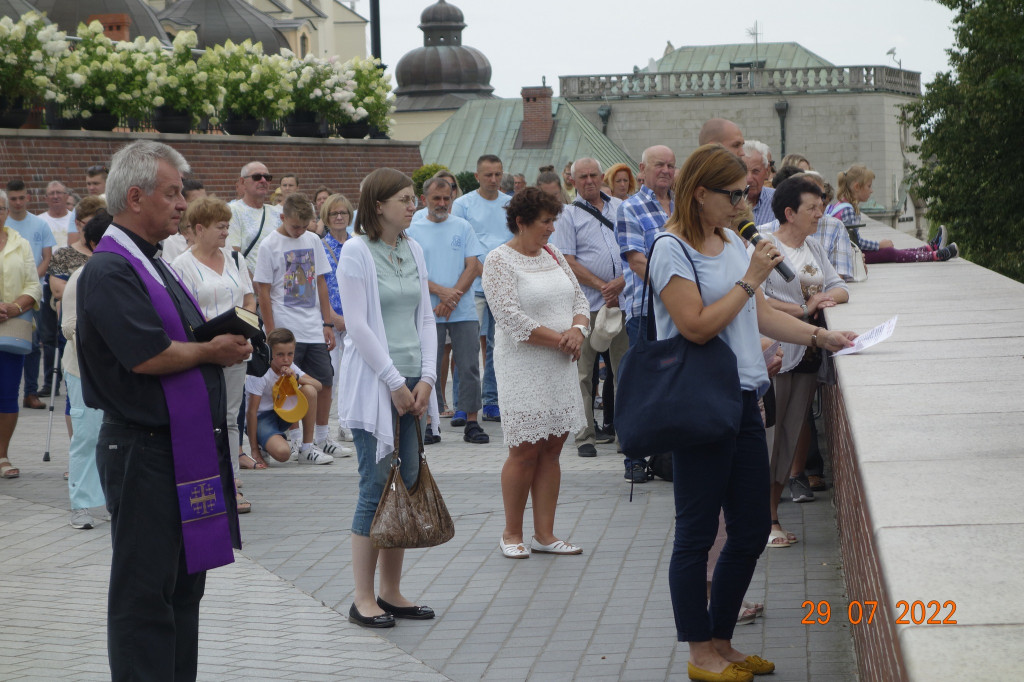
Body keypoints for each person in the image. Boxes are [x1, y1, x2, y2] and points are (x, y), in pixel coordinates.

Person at [648, 143, 856, 681]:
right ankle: (700, 653)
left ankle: (722, 640)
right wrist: (751, 279)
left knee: (747, 530)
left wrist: (820, 336)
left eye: (746, 193)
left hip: (745, 397)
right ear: (700, 193)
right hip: (700, 404)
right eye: (733, 194)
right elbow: (695, 325)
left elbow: (759, 316)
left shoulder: (731, 241)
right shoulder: (671, 247)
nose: (744, 204)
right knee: (696, 534)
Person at [76, 140, 251, 681]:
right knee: (143, 594)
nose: (183, 204)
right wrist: (211, 351)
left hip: (178, 446)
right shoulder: (110, 269)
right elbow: (147, 353)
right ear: (134, 196)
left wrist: (231, 335)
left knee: (182, 585)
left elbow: (178, 333)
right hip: (141, 450)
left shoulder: (155, 261)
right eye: (172, 193)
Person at [336, 168, 437, 628]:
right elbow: (356, 324)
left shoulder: (413, 248)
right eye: (403, 198)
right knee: (375, 484)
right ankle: (362, 598)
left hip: (412, 380)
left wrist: (428, 378)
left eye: (413, 197)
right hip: (377, 382)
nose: (412, 204)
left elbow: (427, 318)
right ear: (377, 205)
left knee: (407, 480)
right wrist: (395, 381)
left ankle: (391, 591)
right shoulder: (356, 251)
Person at [482, 187, 590, 559]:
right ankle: (512, 533)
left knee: (553, 448)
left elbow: (580, 299)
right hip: (523, 366)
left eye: (553, 221)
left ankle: (545, 534)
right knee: (524, 450)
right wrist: (562, 339)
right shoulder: (498, 260)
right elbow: (510, 316)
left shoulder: (553, 253)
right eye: (545, 222)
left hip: (560, 365)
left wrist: (578, 331)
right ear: (522, 222)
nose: (551, 229)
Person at [756, 176, 849, 547]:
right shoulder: (764, 244)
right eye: (812, 207)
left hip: (809, 355)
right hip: (774, 352)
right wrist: (803, 307)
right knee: (769, 438)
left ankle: (773, 515)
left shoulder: (813, 246)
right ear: (789, 212)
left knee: (791, 434)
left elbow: (839, 284)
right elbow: (755, 296)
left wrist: (828, 298)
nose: (819, 213)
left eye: (821, 206)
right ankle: (764, 520)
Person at [171, 196, 258, 511]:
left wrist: (245, 326)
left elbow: (250, 299)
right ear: (199, 228)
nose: (225, 232)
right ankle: (203, 487)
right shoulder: (181, 265)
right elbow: (184, 313)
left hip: (236, 352)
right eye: (220, 227)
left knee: (230, 418)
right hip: (204, 353)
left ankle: (231, 487)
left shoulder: (235, 259)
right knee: (204, 420)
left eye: (227, 226)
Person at [254, 193, 347, 461]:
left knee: (324, 380)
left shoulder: (312, 240)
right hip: (285, 327)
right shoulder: (269, 245)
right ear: (283, 218)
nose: (299, 231)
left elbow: (320, 282)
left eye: (304, 226)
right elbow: (263, 291)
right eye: (295, 226)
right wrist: (271, 333)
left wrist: (327, 322)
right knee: (290, 384)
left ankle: (321, 437)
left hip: (312, 325)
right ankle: (296, 441)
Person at [551, 158, 627, 458]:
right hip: (586, 304)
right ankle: (585, 434)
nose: (589, 181)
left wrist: (620, 283)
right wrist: (601, 285)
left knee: (624, 372)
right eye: (582, 177)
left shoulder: (621, 208)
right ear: (573, 181)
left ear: (602, 176)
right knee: (582, 373)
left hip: (621, 301)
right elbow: (567, 259)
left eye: (594, 175)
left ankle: (626, 434)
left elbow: (636, 249)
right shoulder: (568, 216)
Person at [407, 176, 487, 444]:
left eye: (446, 199)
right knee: (429, 366)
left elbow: (473, 266)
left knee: (469, 366)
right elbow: (412, 271)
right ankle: (431, 421)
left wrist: (451, 299)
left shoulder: (463, 226)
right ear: (424, 199)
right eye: (436, 199)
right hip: (428, 310)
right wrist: (441, 293)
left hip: (461, 310)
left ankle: (472, 421)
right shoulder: (413, 229)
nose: (442, 203)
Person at [616, 144, 676, 483]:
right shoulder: (631, 207)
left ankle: (669, 456)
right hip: (646, 310)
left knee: (673, 383)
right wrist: (678, 292)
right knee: (641, 385)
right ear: (642, 170)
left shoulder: (684, 206)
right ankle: (634, 459)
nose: (666, 170)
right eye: (659, 165)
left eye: (671, 165)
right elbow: (638, 262)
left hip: (682, 310)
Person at [60, 212, 112, 527]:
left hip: (116, 372)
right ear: (94, 244)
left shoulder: (123, 272)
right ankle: (80, 504)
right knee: (87, 434)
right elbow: (70, 326)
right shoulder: (81, 276)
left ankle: (108, 498)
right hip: (83, 370)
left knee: (113, 435)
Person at [452, 154, 512, 423]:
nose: (494, 179)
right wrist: (483, 272)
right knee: (466, 346)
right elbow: (462, 246)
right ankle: (463, 404)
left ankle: (492, 400)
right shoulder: (462, 205)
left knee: (498, 346)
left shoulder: (510, 204)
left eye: (498, 174)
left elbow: (516, 241)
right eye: (488, 175)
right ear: (477, 176)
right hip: (472, 283)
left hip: (503, 284)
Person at [829, 164, 957, 262]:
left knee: (890, 250)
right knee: (890, 253)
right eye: (869, 186)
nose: (871, 191)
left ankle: (929, 249)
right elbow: (856, 244)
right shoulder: (848, 210)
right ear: (857, 187)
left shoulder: (842, 206)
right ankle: (934, 256)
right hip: (848, 257)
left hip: (846, 254)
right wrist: (879, 245)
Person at [0, 190, 42, 480]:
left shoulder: (20, 243)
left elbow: (33, 284)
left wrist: (14, 307)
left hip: (10, 329)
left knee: (7, 393)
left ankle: (2, 455)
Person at [5, 179, 55, 410]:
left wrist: (29, 285)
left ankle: (30, 392)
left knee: (33, 345)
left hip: (30, 296)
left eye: (20, 197)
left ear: (28, 198)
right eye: (12, 198)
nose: (17, 202)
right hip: (17, 292)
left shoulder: (39, 225)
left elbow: (46, 257)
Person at [244, 327, 325, 466]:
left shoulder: (291, 366)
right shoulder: (261, 372)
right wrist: (254, 451)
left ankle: (306, 448)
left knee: (309, 390)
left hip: (281, 413)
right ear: (270, 353)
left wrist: (296, 377)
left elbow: (318, 386)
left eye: (290, 354)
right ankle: (261, 445)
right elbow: (251, 413)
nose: (286, 359)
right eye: (280, 354)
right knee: (283, 454)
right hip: (260, 419)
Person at [319, 192, 354, 443]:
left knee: (351, 374)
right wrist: (331, 317)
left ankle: (347, 423)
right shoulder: (320, 246)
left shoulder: (358, 245)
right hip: (329, 320)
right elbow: (317, 286)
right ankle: (325, 428)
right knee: (331, 375)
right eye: (334, 213)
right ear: (326, 217)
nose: (339, 217)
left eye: (343, 213)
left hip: (355, 319)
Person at [228, 161, 282, 276]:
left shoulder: (277, 212)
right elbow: (234, 255)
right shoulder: (233, 211)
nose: (263, 181)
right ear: (242, 182)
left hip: (278, 286)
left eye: (267, 177)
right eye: (257, 177)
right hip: (251, 287)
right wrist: (256, 287)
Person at [742, 141, 776, 226]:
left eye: (755, 171)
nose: (749, 179)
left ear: (767, 171)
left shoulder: (779, 201)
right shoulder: (725, 203)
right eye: (743, 171)